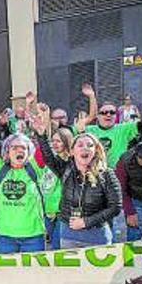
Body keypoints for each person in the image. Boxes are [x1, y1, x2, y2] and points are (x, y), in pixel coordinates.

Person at [31, 105, 122, 248]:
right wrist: (41, 135)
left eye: (90, 145)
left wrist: (87, 221)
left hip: (97, 236)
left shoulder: (107, 174)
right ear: (72, 151)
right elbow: (48, 158)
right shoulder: (66, 169)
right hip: (69, 234)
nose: (85, 148)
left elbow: (115, 207)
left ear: (96, 150)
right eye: (80, 145)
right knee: (71, 271)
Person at [0, 109, 47, 254]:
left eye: (23, 148)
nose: (19, 150)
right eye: (14, 147)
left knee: (32, 275)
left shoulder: (34, 168)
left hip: (33, 237)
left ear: (28, 152)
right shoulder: (0, 169)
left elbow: (43, 148)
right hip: (5, 237)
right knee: (7, 276)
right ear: (7, 152)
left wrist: (42, 129)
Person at [76, 83, 142, 168]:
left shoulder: (123, 128)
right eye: (104, 112)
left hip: (117, 172)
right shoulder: (89, 130)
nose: (108, 115)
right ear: (98, 116)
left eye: (112, 112)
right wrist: (91, 96)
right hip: (94, 171)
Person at [37, 127, 74, 249]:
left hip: (62, 212)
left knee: (57, 246)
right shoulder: (52, 161)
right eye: (53, 141)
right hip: (48, 211)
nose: (54, 144)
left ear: (67, 141)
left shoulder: (70, 163)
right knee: (50, 246)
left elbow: (48, 155)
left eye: (59, 141)